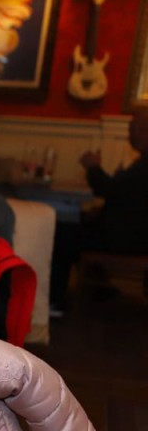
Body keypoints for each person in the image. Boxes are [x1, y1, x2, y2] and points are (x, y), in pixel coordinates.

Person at [50, 109, 148, 311]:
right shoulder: (141, 163)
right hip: (136, 236)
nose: (131, 135)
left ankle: (55, 301)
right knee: (81, 224)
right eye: (131, 129)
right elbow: (127, 197)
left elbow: (108, 189)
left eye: (136, 130)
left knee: (63, 233)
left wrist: (93, 166)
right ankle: (100, 288)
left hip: (130, 241)